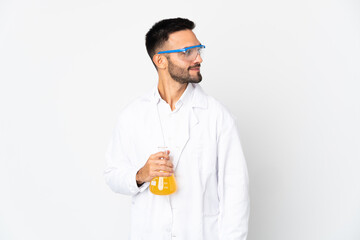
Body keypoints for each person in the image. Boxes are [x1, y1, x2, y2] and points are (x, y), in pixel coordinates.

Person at [104, 17, 249, 240]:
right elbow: (113, 175)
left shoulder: (217, 117)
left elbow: (236, 194)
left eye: (198, 50)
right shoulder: (132, 116)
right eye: (187, 52)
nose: (198, 58)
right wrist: (141, 174)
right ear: (161, 60)